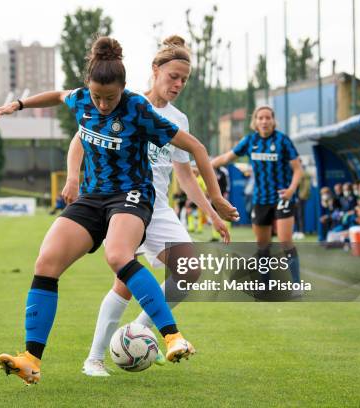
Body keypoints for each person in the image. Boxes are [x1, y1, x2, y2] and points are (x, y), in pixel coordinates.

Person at [0, 36, 237, 385]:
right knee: (46, 262)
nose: (103, 105)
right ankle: (31, 359)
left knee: (119, 257)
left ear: (123, 88)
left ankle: (171, 336)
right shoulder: (82, 99)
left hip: (132, 195)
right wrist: (18, 104)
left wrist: (216, 200)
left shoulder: (137, 109)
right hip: (93, 196)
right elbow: (59, 97)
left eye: (110, 98)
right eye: (97, 96)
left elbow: (193, 147)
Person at [62, 35, 238, 376]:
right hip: (121, 205)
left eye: (184, 79)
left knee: (189, 270)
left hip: (157, 210)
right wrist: (72, 178)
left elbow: (184, 175)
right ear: (154, 70)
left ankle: (138, 334)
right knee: (124, 284)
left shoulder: (179, 119)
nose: (178, 84)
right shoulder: (121, 102)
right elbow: (80, 141)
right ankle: (94, 359)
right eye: (173, 76)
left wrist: (211, 212)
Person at [211, 106, 304, 286]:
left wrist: (291, 190)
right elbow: (225, 158)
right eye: (260, 118)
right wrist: (203, 167)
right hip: (260, 199)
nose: (264, 121)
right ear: (255, 121)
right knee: (262, 244)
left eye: (267, 118)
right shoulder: (250, 140)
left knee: (286, 241)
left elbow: (298, 169)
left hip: (282, 198)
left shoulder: (283, 141)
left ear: (273, 120)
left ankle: (296, 284)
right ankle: (265, 283)